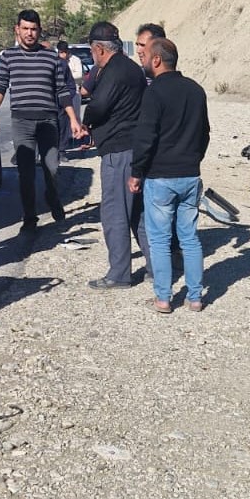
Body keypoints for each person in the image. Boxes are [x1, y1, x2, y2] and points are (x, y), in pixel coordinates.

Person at [129, 38, 210, 314]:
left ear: (156, 60)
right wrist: (194, 159)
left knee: (160, 240)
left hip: (160, 176)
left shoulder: (154, 93)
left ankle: (164, 298)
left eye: (146, 55)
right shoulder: (196, 91)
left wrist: (136, 171)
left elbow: (145, 137)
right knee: (190, 238)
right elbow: (205, 134)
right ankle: (196, 297)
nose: (143, 59)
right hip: (189, 175)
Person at [0, 9, 87, 235]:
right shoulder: (8, 57)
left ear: (39, 31)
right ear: (17, 30)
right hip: (22, 122)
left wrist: (73, 119)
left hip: (48, 121)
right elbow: (0, 86)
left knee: (52, 168)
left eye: (34, 29)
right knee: (26, 173)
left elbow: (62, 90)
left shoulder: (51, 57)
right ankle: (30, 217)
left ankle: (52, 197)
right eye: (25, 29)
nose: (30, 33)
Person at [82, 22, 152, 289]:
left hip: (118, 151)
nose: (92, 56)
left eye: (92, 51)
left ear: (99, 48)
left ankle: (119, 274)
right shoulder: (132, 68)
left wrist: (86, 123)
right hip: (135, 148)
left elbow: (99, 106)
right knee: (139, 214)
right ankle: (157, 267)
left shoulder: (112, 71)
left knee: (115, 213)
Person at [56, 42, 84, 151]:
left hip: (74, 91)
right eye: (60, 52)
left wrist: (69, 73)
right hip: (60, 94)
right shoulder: (56, 61)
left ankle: (77, 137)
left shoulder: (75, 60)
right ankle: (64, 141)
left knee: (75, 116)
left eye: (64, 52)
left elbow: (79, 74)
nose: (62, 54)